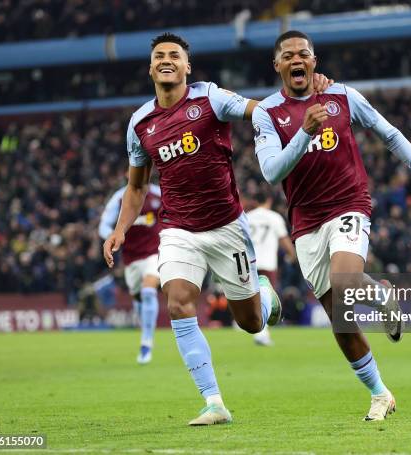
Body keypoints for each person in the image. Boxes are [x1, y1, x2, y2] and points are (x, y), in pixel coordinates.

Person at [102, 32, 332, 426]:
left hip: (226, 226)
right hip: (177, 228)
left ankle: (263, 295)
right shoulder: (140, 123)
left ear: (187, 66)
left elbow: (261, 111)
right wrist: (120, 229)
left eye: (175, 55)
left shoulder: (210, 97)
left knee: (251, 323)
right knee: (177, 301)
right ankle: (214, 403)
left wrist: (306, 95)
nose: (167, 60)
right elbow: (137, 185)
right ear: (151, 67)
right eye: (159, 56)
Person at [251, 30, 411, 421]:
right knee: (340, 317)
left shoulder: (342, 96)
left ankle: (375, 297)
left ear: (313, 61)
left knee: (344, 286)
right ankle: (380, 389)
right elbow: (272, 172)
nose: (296, 60)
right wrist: (305, 131)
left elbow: (389, 134)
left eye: (302, 54)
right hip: (305, 222)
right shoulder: (267, 113)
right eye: (287, 55)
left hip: (348, 205)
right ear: (277, 65)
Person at [99, 183, 162, 364]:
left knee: (149, 292)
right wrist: (112, 236)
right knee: (139, 301)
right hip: (131, 259)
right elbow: (103, 226)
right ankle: (145, 332)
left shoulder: (159, 193)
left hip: (154, 252)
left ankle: (146, 344)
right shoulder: (119, 198)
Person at [247, 192, 297, 346]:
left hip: (249, 262)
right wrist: (292, 255)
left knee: (251, 297)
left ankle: (256, 329)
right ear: (269, 199)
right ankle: (262, 333)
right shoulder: (274, 217)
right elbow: (284, 240)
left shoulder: (247, 217)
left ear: (255, 201)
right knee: (266, 299)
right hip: (268, 263)